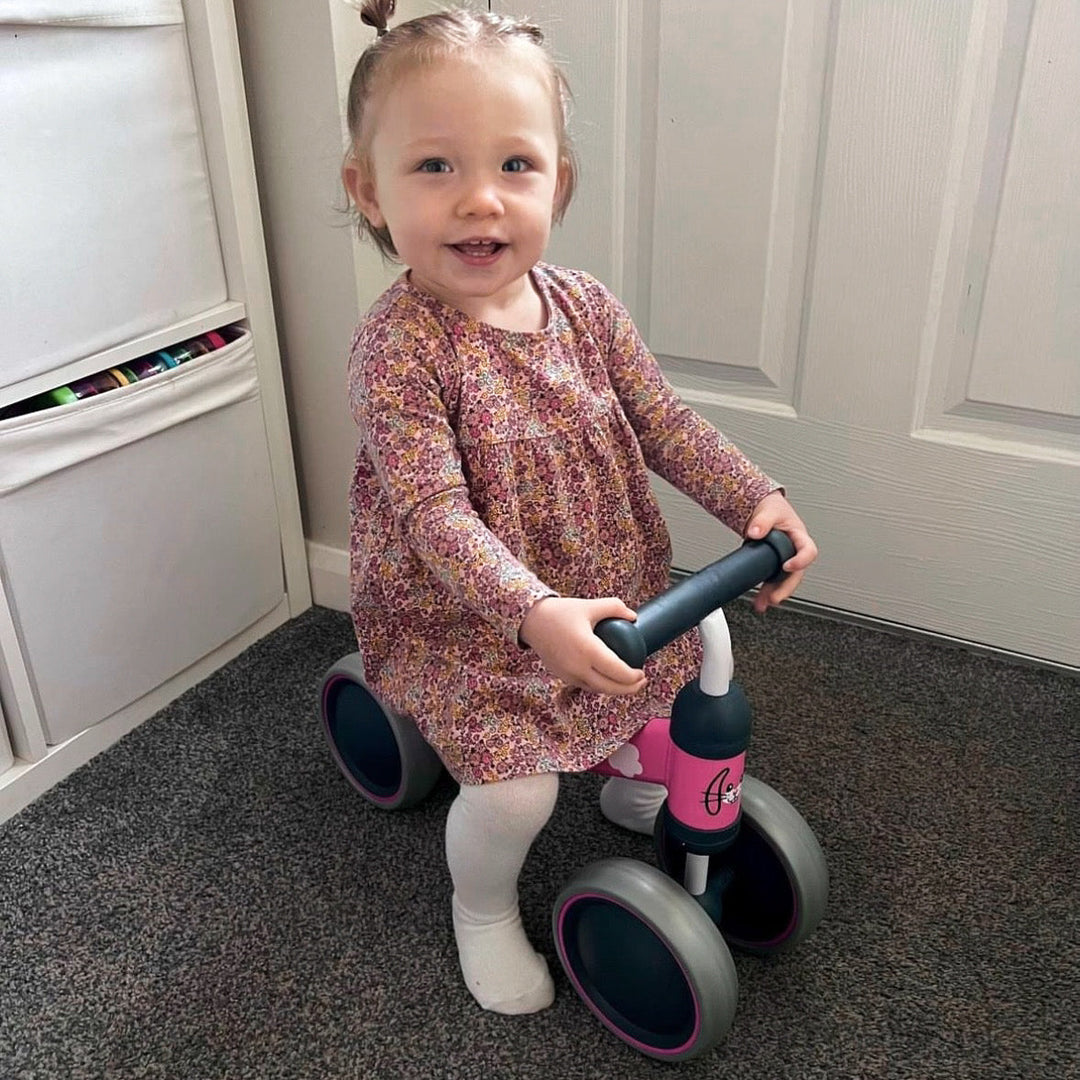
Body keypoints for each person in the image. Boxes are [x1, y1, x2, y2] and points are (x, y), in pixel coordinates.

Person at [341, 0, 818, 1016]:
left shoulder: (588, 307)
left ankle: (628, 771)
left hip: (600, 588)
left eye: (514, 166)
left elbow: (666, 422)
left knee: (679, 675)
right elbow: (436, 517)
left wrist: (757, 498)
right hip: (470, 617)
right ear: (368, 193)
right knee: (517, 790)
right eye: (434, 167)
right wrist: (529, 613)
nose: (480, 200)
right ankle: (482, 908)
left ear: (557, 179)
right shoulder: (402, 349)